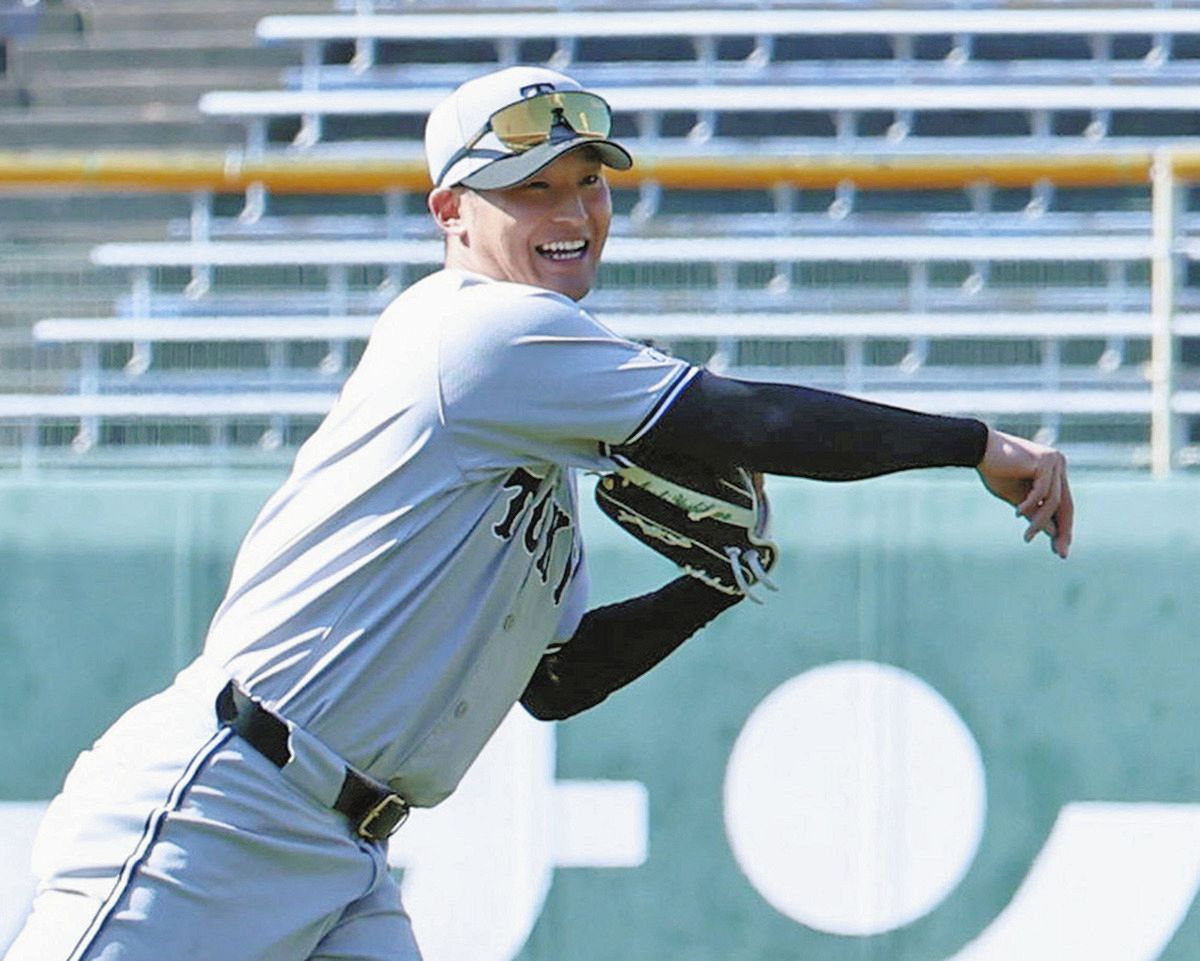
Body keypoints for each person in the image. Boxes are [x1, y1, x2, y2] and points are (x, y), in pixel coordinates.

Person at [4, 65, 1073, 961]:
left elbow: (554, 683)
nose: (571, 213)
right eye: (530, 189)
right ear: (452, 212)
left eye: (587, 184)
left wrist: (709, 587)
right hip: (220, 813)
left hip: (345, 853)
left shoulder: (537, 446)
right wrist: (974, 444)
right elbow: (750, 420)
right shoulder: (479, 338)